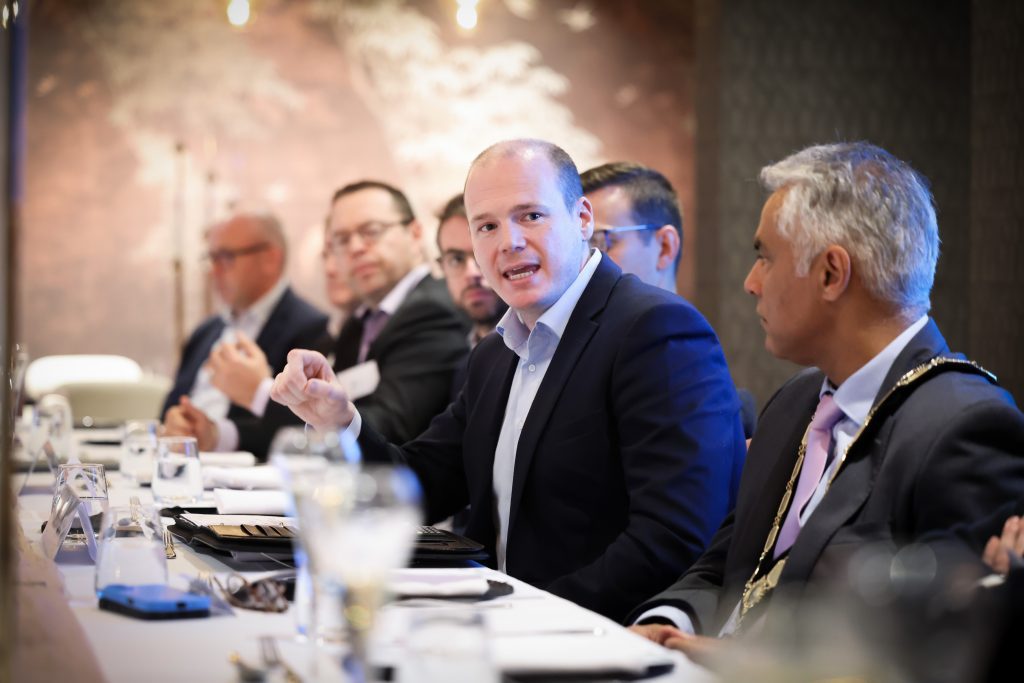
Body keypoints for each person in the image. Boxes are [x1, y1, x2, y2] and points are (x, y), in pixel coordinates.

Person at [271, 139, 747, 621]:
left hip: (593, 642)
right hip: (491, 629)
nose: (509, 242)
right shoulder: (496, 352)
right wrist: (339, 422)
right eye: (488, 226)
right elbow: (422, 484)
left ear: (582, 219)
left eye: (531, 216)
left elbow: (675, 537)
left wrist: (525, 618)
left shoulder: (655, 330)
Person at [628, 142, 1024, 653]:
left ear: (831, 274)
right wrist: (666, 621)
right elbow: (727, 569)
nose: (751, 284)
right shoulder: (794, 404)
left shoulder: (964, 425)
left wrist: (740, 662)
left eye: (765, 258)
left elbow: (942, 651)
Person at [582, 161, 757, 437]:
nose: (582, 263)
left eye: (600, 242)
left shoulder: (701, 392)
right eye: (576, 246)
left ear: (665, 247)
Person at [162, 213, 327, 459]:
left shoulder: (312, 330)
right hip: (182, 467)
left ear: (270, 259)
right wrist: (177, 422)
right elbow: (170, 406)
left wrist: (220, 432)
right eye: (211, 258)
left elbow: (308, 431)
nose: (214, 271)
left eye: (226, 257)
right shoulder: (206, 331)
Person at [323, 180, 469, 444]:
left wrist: (324, 416)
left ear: (414, 234)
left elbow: (394, 426)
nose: (356, 248)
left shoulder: (432, 310)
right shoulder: (357, 323)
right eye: (342, 240)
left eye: (371, 231)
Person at [435, 193, 506, 348]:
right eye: (456, 259)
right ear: (442, 268)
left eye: (480, 254)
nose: (471, 273)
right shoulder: (463, 362)